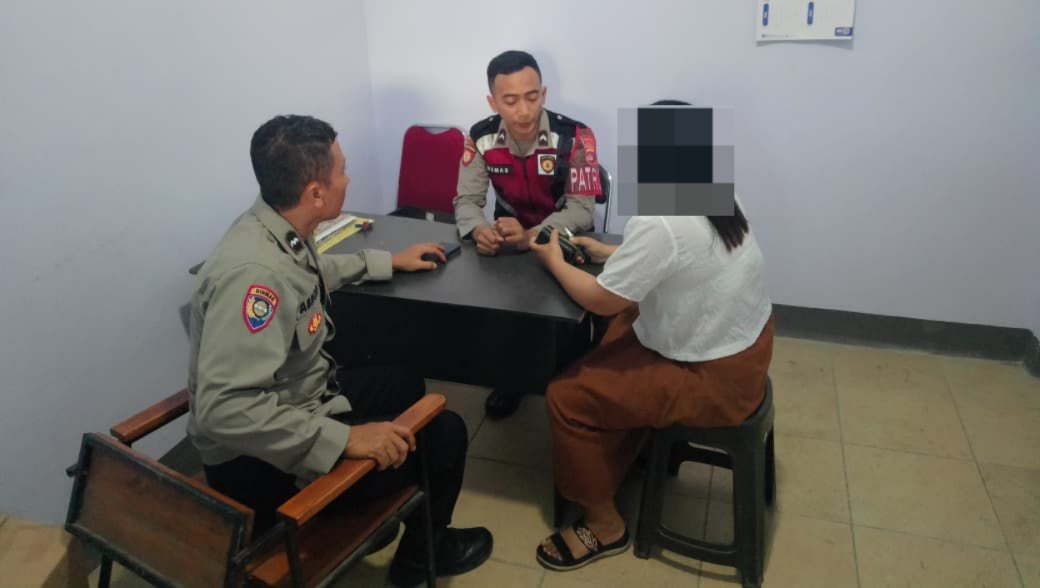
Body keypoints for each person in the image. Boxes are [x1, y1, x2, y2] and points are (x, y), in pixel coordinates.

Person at [187, 114, 492, 587]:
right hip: (260, 465)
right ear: (316, 193)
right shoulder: (253, 278)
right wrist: (345, 440)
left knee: (402, 381)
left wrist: (385, 261)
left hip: (298, 403)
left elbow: (308, 273)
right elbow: (223, 410)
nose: (348, 179)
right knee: (447, 432)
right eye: (342, 171)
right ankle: (419, 557)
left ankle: (388, 504)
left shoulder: (272, 225)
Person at [528, 115, 773, 571]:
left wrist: (553, 261)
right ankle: (619, 452)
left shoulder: (660, 221)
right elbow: (682, 257)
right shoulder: (718, 192)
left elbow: (600, 300)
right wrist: (611, 254)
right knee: (620, 330)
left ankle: (604, 525)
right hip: (747, 349)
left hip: (715, 382)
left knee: (566, 396)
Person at [454, 50, 602, 419]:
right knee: (505, 316)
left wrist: (533, 235)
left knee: (569, 328)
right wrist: (479, 229)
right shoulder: (480, 137)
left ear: (544, 94)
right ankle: (512, 379)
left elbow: (582, 210)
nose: (524, 111)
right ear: (493, 102)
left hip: (567, 240)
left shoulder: (578, 136)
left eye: (532, 97)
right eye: (510, 101)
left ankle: (574, 384)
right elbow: (467, 200)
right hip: (508, 246)